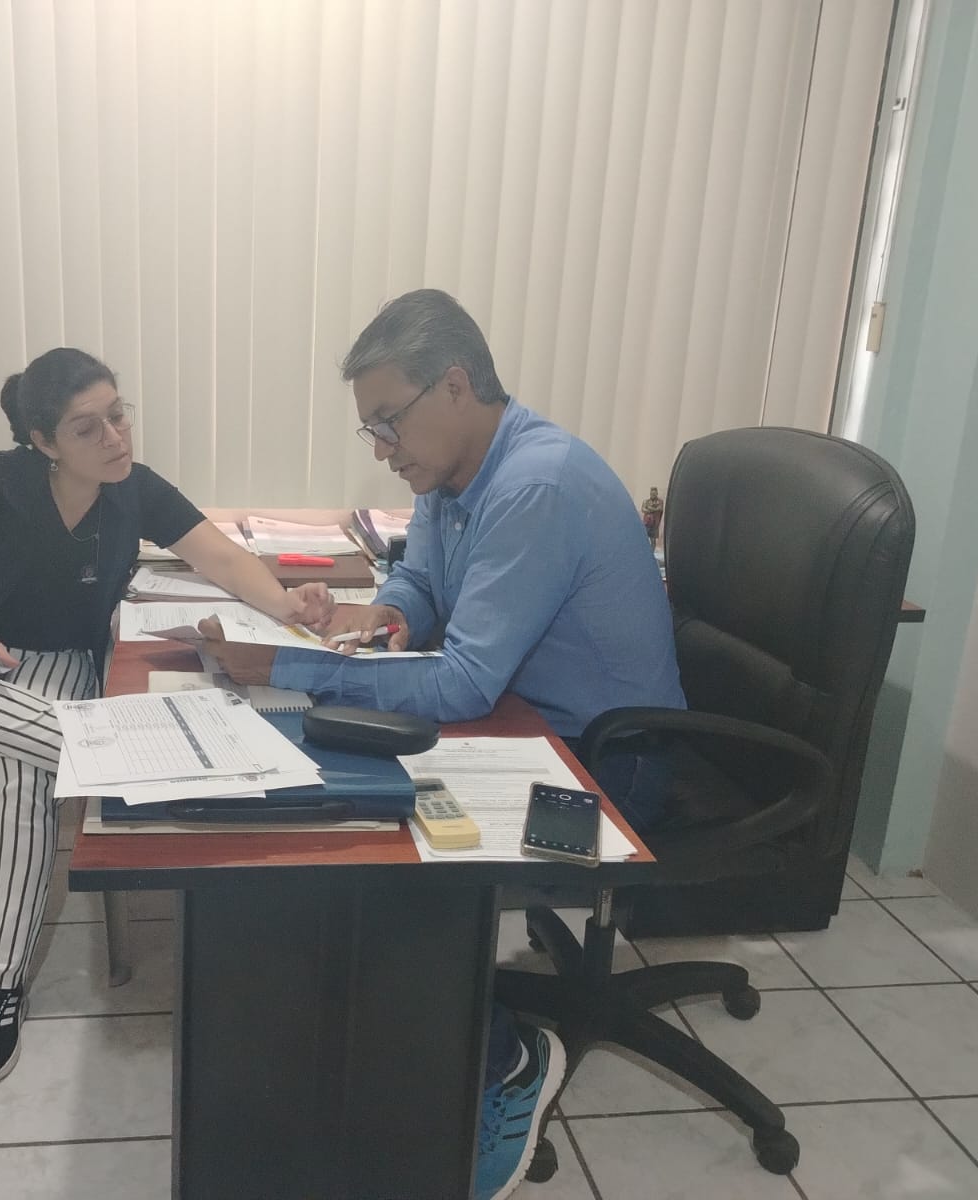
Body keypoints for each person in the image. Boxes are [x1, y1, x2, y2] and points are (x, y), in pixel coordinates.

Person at [201, 289, 685, 1200]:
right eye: (372, 430)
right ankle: (391, 1049)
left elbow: (461, 685)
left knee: (395, 866)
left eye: (389, 421)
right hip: (526, 726)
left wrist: (288, 666)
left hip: (606, 768)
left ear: (455, 386)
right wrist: (386, 615)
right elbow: (421, 583)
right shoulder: (451, 476)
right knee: (346, 806)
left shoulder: (535, 484)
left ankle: (509, 1061)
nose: (383, 449)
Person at [0, 347, 334, 1088]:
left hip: (44, 674)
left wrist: (284, 602)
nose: (115, 438)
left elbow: (220, 558)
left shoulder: (133, 489)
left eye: (118, 415)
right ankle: (133, 760)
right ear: (43, 441)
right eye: (88, 428)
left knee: (22, 780)